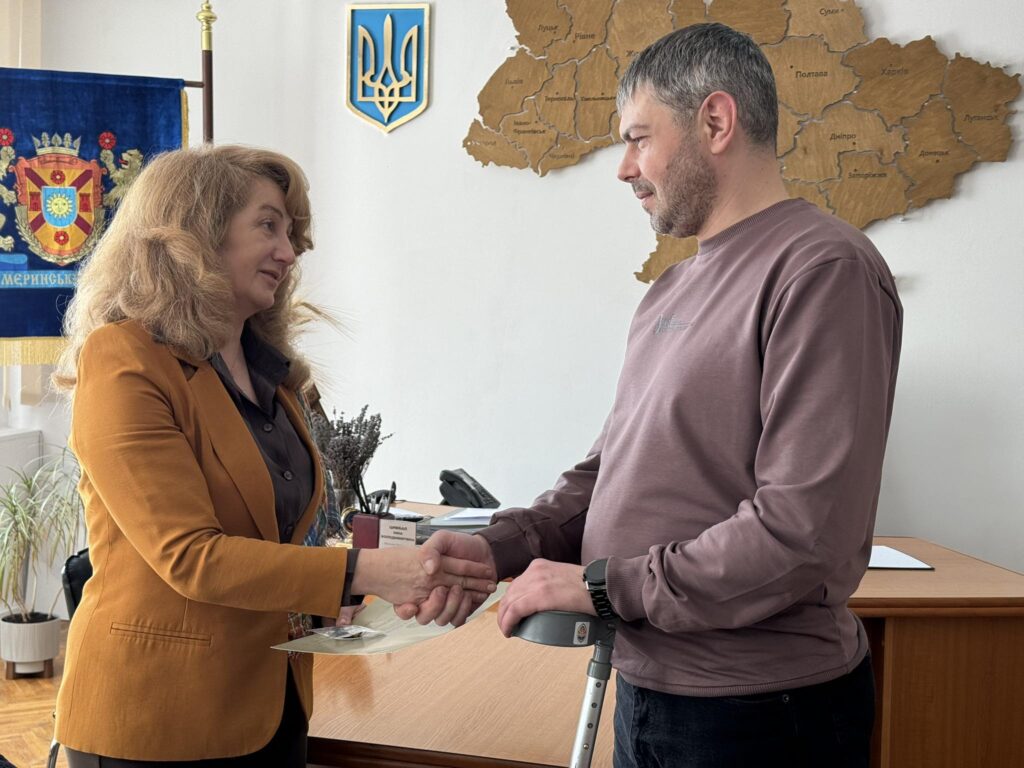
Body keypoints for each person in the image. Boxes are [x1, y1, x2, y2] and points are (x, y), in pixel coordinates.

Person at [403, 23, 903, 768]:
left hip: (760, 713)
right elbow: (610, 475)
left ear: (716, 121)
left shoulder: (822, 269)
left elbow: (802, 531)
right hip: (648, 689)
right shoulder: (671, 286)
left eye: (639, 138)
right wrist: (496, 547)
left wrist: (604, 588)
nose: (625, 168)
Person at [51, 144, 496, 767]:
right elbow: (190, 556)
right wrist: (364, 572)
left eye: (291, 234)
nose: (289, 253)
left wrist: (333, 596)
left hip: (276, 703)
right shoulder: (124, 358)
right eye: (268, 226)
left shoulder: (276, 375)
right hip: (157, 719)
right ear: (196, 233)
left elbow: (281, 533)